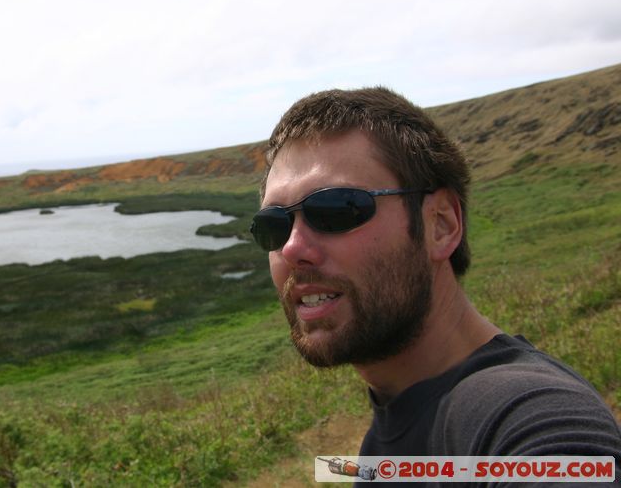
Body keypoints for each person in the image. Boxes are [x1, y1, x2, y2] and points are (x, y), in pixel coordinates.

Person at [250, 87, 621, 484]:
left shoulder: (528, 419)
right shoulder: (400, 421)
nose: (292, 249)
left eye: (336, 209)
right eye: (274, 225)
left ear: (440, 225)